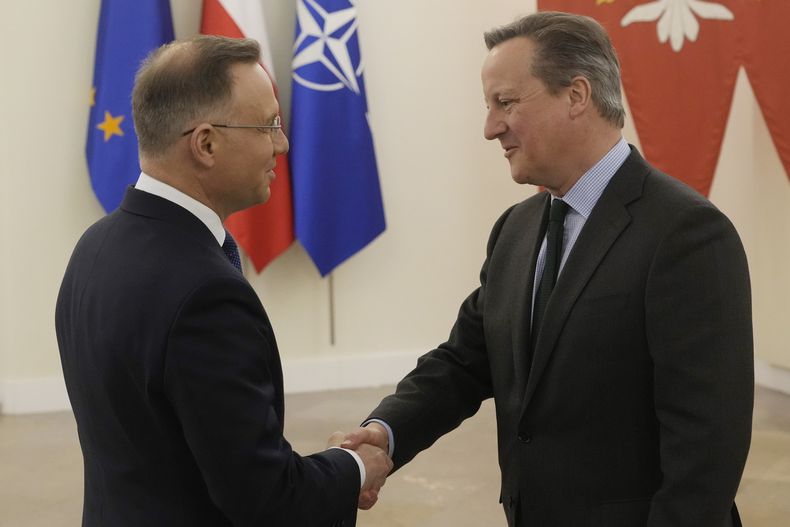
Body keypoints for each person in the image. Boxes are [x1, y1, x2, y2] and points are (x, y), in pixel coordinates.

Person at [343, 11, 753, 527]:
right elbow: (465, 362)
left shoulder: (687, 234)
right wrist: (386, 432)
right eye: (489, 106)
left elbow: (707, 447)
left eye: (506, 102)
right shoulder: (515, 228)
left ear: (577, 96)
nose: (491, 127)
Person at [55, 35, 391, 527]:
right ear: (206, 143)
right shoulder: (206, 294)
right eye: (269, 125)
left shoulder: (95, 246)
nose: (283, 143)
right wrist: (357, 466)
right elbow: (264, 499)